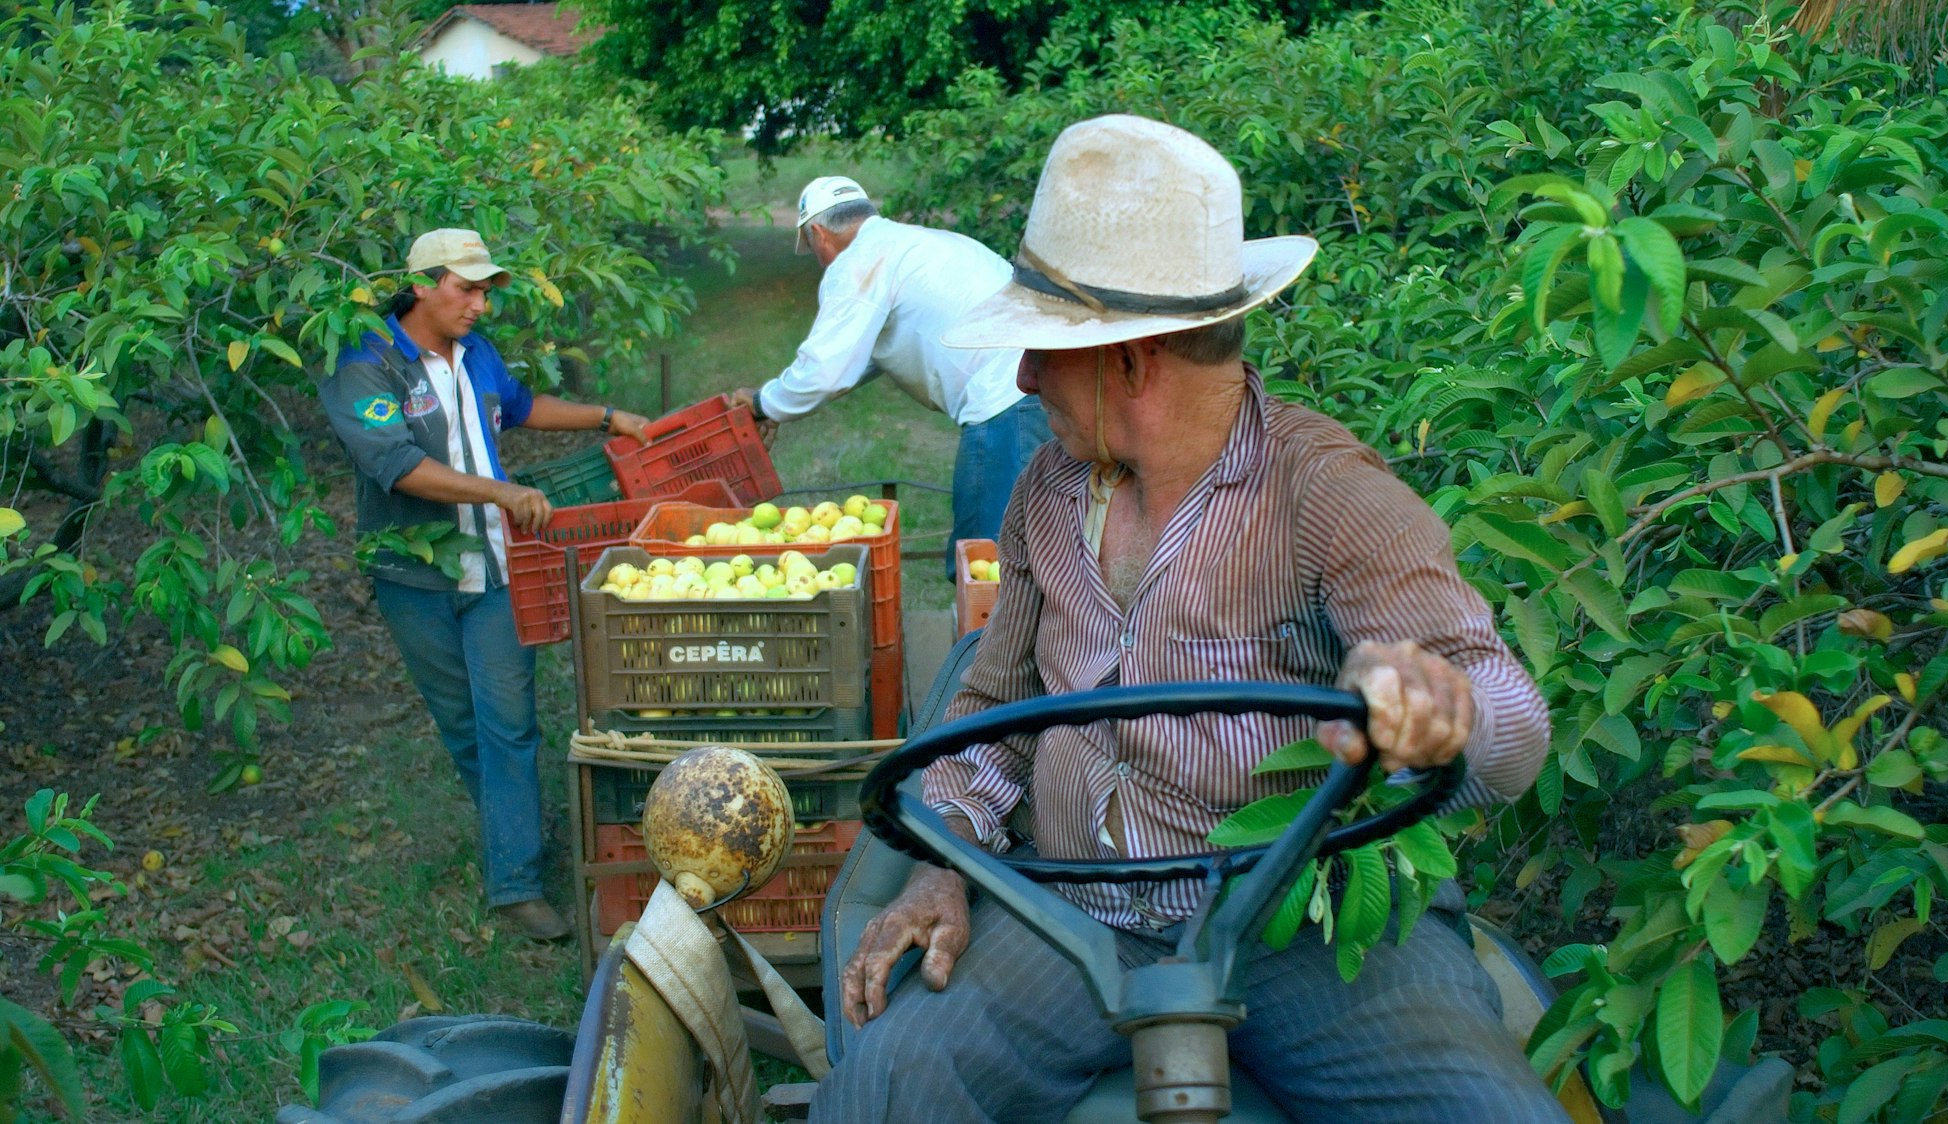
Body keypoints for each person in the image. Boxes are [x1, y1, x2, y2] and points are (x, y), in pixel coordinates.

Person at [813, 117, 1566, 1122]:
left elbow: (1507, 715)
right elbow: (994, 706)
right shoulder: (1045, 490)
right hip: (1069, 910)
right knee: (884, 1088)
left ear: (1133, 359)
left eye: (1046, 349)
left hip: (1297, 915)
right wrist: (941, 860)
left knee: (1488, 1113)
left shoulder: (1324, 489)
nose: (1026, 378)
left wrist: (1444, 709)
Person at [319, 228, 649, 941]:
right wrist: (498, 492)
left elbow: (521, 406)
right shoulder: (366, 360)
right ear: (421, 284)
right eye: (465, 289)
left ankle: (516, 883)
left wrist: (606, 416)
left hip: (499, 569)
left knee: (509, 719)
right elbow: (397, 465)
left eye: (483, 290)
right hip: (417, 573)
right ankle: (514, 829)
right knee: (464, 724)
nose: (479, 304)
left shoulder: (477, 353)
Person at [728, 177, 1053, 573]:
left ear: (817, 233)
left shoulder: (858, 263)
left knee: (986, 561)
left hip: (1005, 401)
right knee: (1039, 548)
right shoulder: (913, 244)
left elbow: (826, 372)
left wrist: (763, 403)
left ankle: (991, 636)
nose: (818, 260)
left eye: (812, 249)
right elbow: (859, 358)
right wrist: (772, 408)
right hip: (1043, 387)